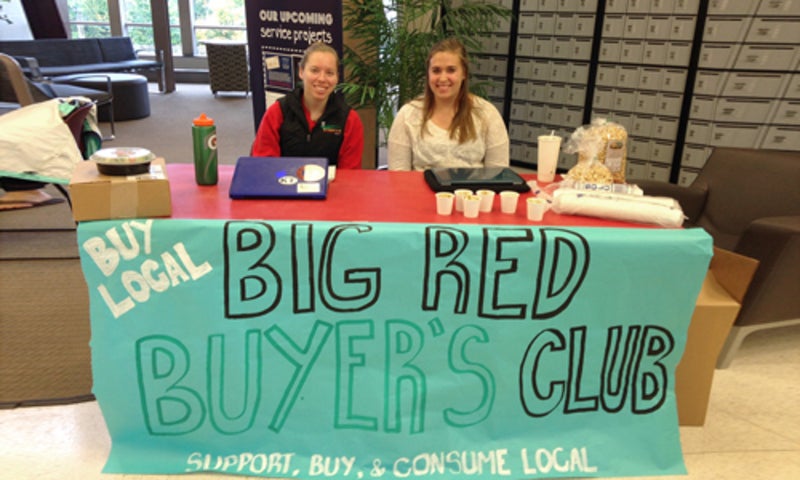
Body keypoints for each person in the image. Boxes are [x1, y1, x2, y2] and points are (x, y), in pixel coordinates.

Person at [387, 37, 509, 171]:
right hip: (419, 191)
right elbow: (398, 175)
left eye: (451, 70)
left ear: (464, 74)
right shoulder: (407, 115)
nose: (443, 78)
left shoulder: (487, 113)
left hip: (472, 191)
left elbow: (498, 173)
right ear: (428, 74)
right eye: (436, 70)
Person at [252, 42, 364, 169]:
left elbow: (349, 175)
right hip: (284, 184)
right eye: (314, 70)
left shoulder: (349, 120)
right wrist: (289, 180)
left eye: (330, 73)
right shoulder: (277, 112)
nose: (322, 79)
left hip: (330, 187)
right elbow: (264, 167)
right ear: (301, 72)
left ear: (337, 77)